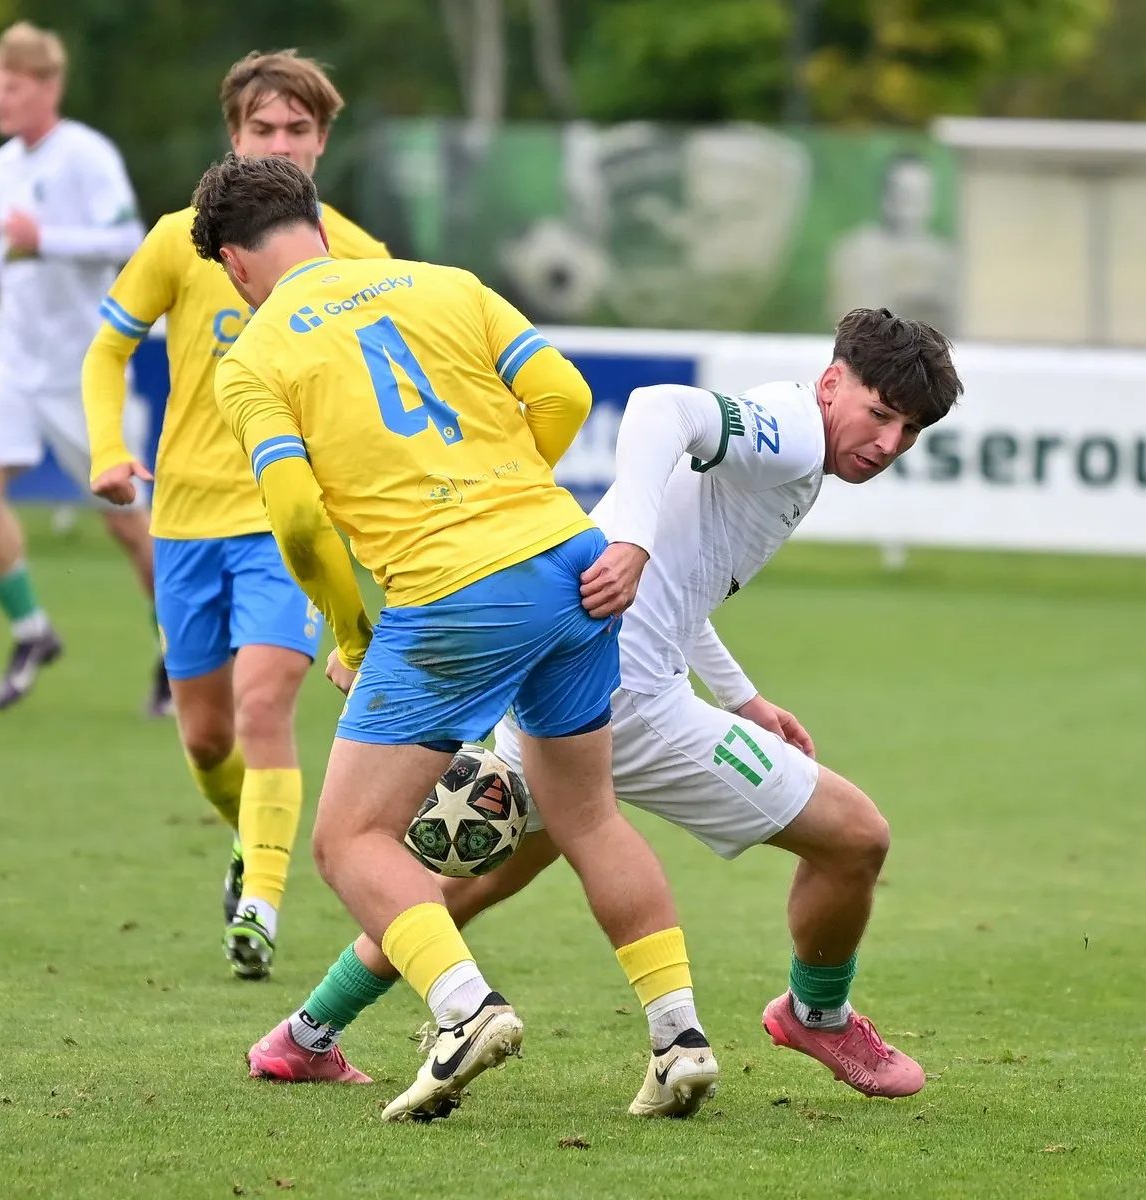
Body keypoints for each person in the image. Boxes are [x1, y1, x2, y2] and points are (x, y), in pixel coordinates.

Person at [274, 308, 962, 1099]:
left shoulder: (792, 436)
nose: (889, 443)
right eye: (881, 414)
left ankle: (305, 1035)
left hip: (567, 660)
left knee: (482, 875)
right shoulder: (797, 433)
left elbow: (683, 579)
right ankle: (815, 1016)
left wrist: (741, 695)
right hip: (628, 695)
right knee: (856, 839)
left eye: (910, 431)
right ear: (833, 383)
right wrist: (630, 539)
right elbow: (658, 408)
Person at [197, 153, 717, 1122]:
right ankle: (678, 1038)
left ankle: (464, 1010)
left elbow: (300, 522)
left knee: (348, 838)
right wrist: (508, 499)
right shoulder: (447, 283)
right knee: (588, 816)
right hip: (567, 560)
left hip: (450, 591)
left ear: (232, 263)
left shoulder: (254, 359)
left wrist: (353, 632)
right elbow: (562, 395)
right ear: (317, 222)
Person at [81, 51, 388, 982]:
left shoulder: (362, 259)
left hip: (285, 523)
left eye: (298, 129)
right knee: (208, 738)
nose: (281, 143)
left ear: (323, 140)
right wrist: (107, 450)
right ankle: (252, 843)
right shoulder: (181, 239)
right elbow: (106, 349)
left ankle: (261, 904)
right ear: (235, 136)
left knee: (263, 706)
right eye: (264, 128)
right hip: (182, 523)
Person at [0, 21, 158, 713]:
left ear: (47, 87)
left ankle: (179, 655)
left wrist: (46, 237)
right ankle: (32, 633)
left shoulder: (86, 154)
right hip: (13, 363)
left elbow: (129, 238)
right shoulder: (3, 164)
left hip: (83, 372)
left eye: (11, 86)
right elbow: (20, 254)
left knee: (130, 526)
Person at [828, 154, 959, 333]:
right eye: (903, 192)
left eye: (920, 194)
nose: (910, 202)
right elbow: (847, 321)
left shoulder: (946, 259)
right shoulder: (854, 252)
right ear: (885, 195)